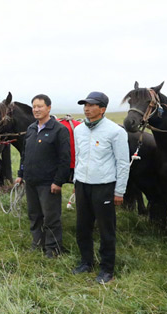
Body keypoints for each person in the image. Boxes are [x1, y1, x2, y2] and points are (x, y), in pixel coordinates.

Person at [71, 92, 130, 284]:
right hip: (82, 185)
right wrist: (75, 182)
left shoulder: (115, 132)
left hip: (104, 186)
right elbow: (78, 157)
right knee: (82, 227)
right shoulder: (79, 130)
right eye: (85, 105)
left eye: (92, 105)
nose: (87, 108)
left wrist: (119, 191)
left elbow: (122, 163)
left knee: (106, 229)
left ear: (102, 109)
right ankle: (86, 262)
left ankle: (107, 269)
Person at [14, 94, 70, 257]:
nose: (36, 109)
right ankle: (37, 242)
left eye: (40, 106)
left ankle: (53, 248)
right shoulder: (31, 129)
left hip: (49, 183)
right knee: (34, 215)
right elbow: (25, 154)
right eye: (34, 107)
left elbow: (64, 158)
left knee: (51, 217)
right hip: (31, 181)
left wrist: (58, 181)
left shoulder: (59, 130)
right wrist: (21, 174)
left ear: (49, 108)